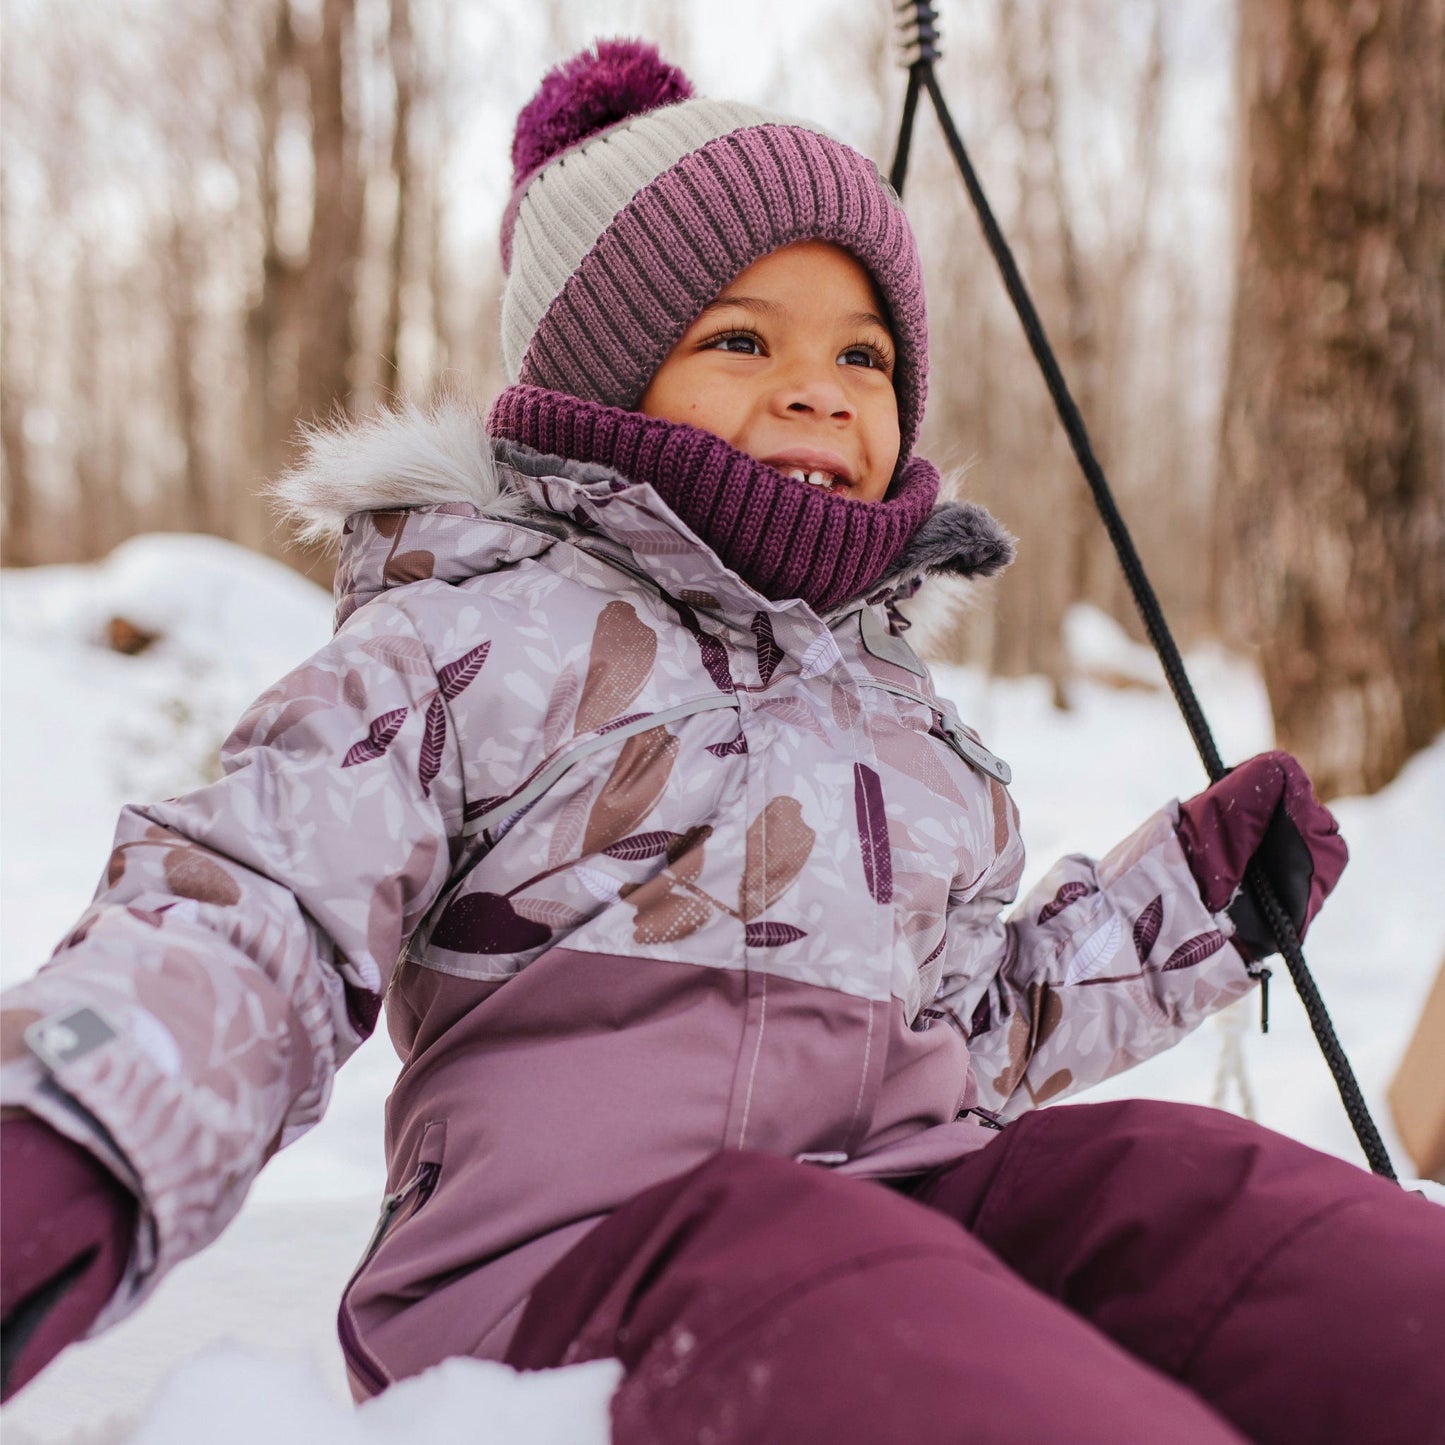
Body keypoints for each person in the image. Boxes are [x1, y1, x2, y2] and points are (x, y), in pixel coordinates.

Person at [2, 40, 1442, 1445]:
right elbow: (255, 905)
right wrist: (72, 1123)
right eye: (742, 338)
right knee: (818, 1251)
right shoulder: (469, 649)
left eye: (863, 354)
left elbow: (974, 1031)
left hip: (912, 1210)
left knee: (1175, 1183)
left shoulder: (904, 725)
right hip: (565, 1275)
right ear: (601, 381)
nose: (821, 387)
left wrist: (1179, 907)